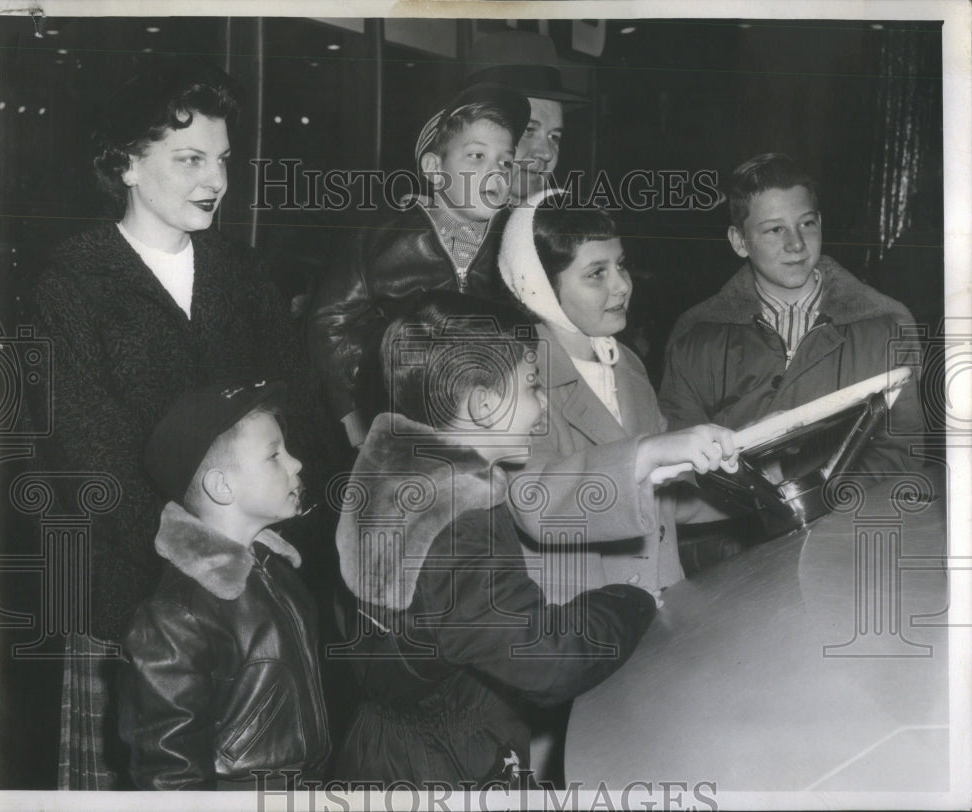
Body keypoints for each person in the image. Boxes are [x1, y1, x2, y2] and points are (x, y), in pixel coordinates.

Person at [30, 61, 320, 789]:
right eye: (189, 160)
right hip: (124, 593)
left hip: (243, 587)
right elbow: (87, 458)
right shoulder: (69, 283)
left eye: (221, 160)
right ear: (126, 163)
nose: (214, 179)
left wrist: (262, 521)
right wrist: (208, 548)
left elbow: (292, 411)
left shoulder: (239, 270)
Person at [332, 292, 660, 788]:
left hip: (390, 745)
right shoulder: (461, 524)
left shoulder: (394, 477)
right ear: (484, 405)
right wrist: (633, 602)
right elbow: (549, 660)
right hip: (446, 764)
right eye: (532, 386)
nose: (543, 403)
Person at [498, 190, 739, 782]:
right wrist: (657, 450)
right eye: (596, 273)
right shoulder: (515, 372)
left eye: (622, 265)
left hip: (652, 618)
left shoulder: (625, 364)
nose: (621, 286)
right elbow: (538, 504)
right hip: (574, 628)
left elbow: (657, 498)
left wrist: (752, 480)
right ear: (539, 286)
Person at [117, 381, 331, 790]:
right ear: (222, 487)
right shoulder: (173, 619)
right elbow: (170, 778)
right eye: (275, 455)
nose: (297, 463)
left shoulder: (277, 573)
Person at [658, 153, 926, 478]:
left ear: (821, 223)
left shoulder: (886, 324)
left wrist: (807, 491)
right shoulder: (696, 336)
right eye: (774, 230)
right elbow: (679, 468)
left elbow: (900, 455)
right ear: (740, 241)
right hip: (735, 524)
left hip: (843, 521)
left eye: (806, 224)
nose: (796, 243)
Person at [307, 84, 530, 448]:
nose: (496, 173)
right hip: (401, 418)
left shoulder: (513, 241)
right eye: (476, 156)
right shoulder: (382, 239)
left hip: (490, 420)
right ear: (434, 169)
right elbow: (329, 324)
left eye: (505, 162)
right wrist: (351, 415)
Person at [464, 30, 589, 204]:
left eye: (554, 137)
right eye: (529, 130)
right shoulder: (431, 228)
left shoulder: (547, 227)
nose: (547, 153)